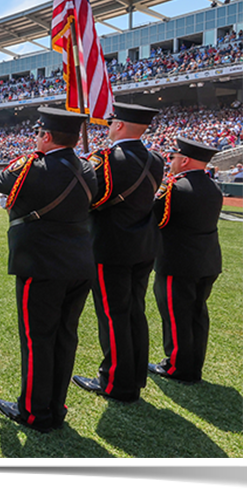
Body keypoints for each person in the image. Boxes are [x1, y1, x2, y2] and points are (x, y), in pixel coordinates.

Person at [0, 108, 98, 433]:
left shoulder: (31, 168)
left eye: (39, 133)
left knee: (38, 340)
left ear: (47, 136)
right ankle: (55, 404)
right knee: (65, 337)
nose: (36, 138)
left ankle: (35, 412)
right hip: (80, 263)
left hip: (41, 264)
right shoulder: (89, 169)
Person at [73, 101, 165, 404]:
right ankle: (135, 375)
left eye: (112, 122)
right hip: (144, 245)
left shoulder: (107, 159)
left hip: (110, 245)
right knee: (135, 312)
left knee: (113, 316)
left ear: (120, 125)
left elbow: (92, 199)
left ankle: (116, 382)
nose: (109, 126)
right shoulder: (155, 159)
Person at [148, 137, 223, 384]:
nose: (170, 162)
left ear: (185, 160)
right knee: (197, 314)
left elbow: (156, 219)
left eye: (173, 158)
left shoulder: (174, 188)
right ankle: (193, 366)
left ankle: (177, 366)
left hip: (178, 262)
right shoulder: (213, 187)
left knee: (176, 315)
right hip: (207, 261)